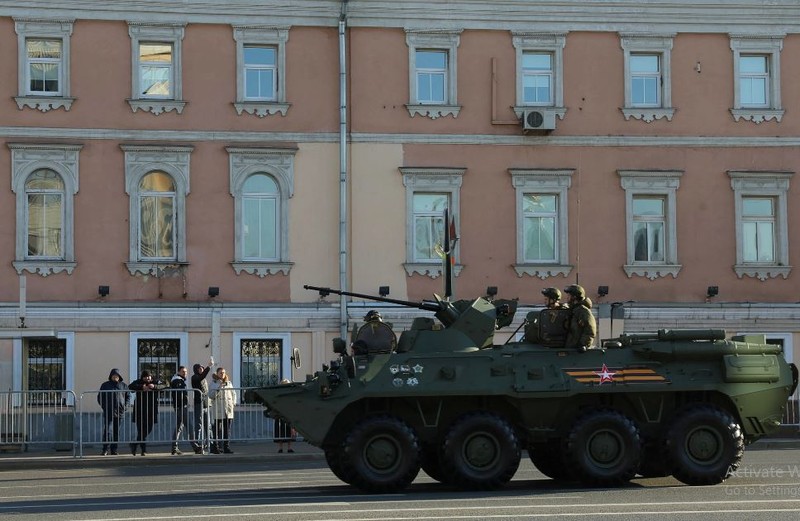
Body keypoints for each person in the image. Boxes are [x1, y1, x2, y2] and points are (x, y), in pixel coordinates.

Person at [97, 368, 130, 456]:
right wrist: (105, 407)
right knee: (108, 431)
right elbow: (100, 397)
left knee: (116, 432)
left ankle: (114, 450)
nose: (115, 377)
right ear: (111, 376)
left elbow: (128, 397)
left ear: (119, 377)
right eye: (114, 375)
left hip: (120, 413)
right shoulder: (105, 385)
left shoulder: (123, 385)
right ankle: (105, 450)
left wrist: (125, 407)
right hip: (109, 412)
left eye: (117, 375)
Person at [128, 370, 161, 456]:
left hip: (151, 410)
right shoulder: (139, 382)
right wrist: (142, 387)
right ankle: (143, 450)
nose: (147, 378)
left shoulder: (155, 382)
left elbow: (166, 386)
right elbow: (130, 386)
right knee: (141, 430)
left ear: (151, 377)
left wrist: (154, 386)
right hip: (140, 410)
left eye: (149, 376)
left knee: (148, 429)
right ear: (142, 377)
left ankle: (134, 444)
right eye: (145, 376)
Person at [209, 366, 237, 454]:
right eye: (221, 373)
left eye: (224, 372)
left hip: (228, 410)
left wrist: (233, 403)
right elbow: (211, 395)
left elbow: (233, 394)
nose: (222, 374)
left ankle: (226, 447)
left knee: (227, 430)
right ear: (217, 374)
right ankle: (215, 447)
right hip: (218, 410)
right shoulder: (214, 383)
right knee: (216, 430)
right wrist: (218, 387)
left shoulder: (228, 383)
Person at [191, 357, 214, 454]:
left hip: (206, 404)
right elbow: (201, 377)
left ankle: (210, 444)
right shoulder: (195, 377)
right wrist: (209, 366)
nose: (202, 369)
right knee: (199, 425)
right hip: (198, 404)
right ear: (196, 369)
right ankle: (198, 444)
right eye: (200, 368)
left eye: (202, 368)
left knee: (208, 425)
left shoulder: (203, 378)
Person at [563, 284, 597, 352]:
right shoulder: (573, 310)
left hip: (577, 350)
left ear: (574, 297)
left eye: (569, 296)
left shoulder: (583, 311)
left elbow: (590, 329)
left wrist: (583, 344)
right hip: (571, 348)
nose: (567, 298)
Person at [169, 366, 191, 455]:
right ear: (178, 372)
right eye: (183, 371)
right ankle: (196, 446)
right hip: (181, 407)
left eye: (185, 371)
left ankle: (174, 447)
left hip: (181, 406)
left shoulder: (179, 380)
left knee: (179, 427)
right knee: (189, 425)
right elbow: (179, 394)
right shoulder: (177, 380)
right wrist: (183, 403)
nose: (185, 373)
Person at [273, 379, 296, 453]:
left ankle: (289, 448)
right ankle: (280, 448)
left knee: (289, 430)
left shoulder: (290, 393)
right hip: (280, 414)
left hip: (287, 414)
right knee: (280, 431)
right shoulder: (279, 393)